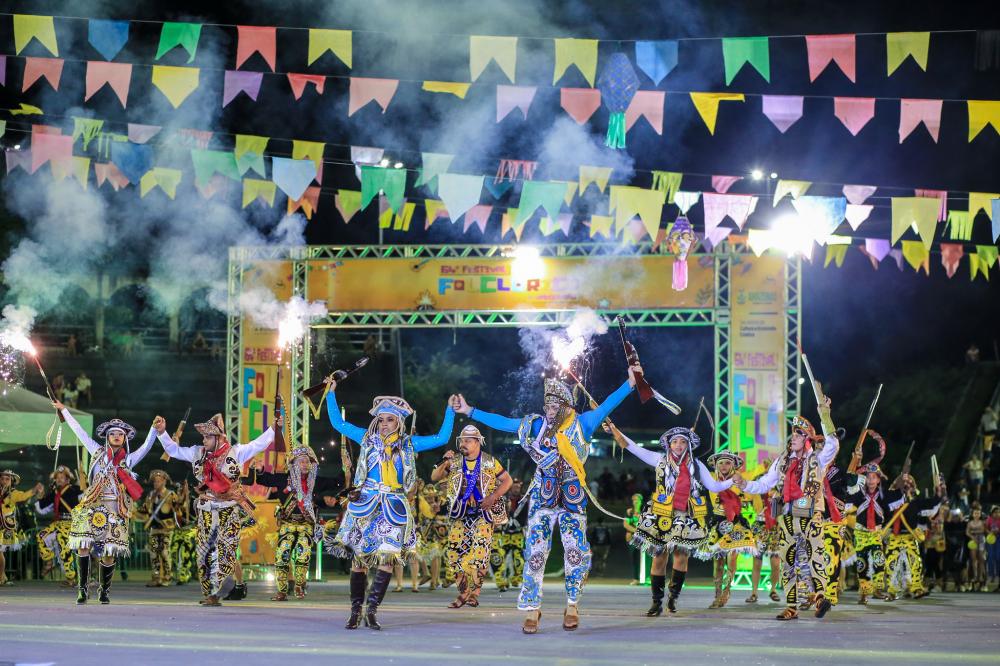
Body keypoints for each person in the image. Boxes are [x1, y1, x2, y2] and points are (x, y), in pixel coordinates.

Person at [451, 365, 640, 634]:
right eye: (547, 405)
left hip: (573, 497)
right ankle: (532, 608)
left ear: (567, 407)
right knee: (535, 552)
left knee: (575, 552)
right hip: (543, 495)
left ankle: (572, 605)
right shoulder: (535, 425)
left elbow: (608, 404)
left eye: (555, 405)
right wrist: (470, 411)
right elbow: (503, 421)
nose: (550, 410)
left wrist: (630, 383)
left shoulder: (582, 423)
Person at [324, 379, 455, 630]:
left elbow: (442, 437)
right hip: (366, 503)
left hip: (393, 505)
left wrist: (449, 410)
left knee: (386, 560)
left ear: (399, 422)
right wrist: (331, 395)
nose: (384, 424)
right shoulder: (366, 438)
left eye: (390, 420)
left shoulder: (408, 444)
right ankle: (355, 611)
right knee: (359, 560)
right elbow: (337, 423)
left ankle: (372, 611)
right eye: (381, 419)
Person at [604, 422, 739, 616]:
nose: (678, 445)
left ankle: (673, 598)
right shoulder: (658, 459)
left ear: (688, 445)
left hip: (687, 514)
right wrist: (615, 430)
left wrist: (732, 481)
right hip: (662, 513)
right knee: (659, 558)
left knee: (681, 557)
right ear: (668, 444)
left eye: (682, 442)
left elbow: (714, 487)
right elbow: (633, 447)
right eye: (674, 441)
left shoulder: (697, 465)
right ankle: (656, 602)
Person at [153, 412, 279, 606]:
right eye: (203, 436)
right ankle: (212, 592)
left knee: (225, 551)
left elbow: (258, 444)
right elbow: (174, 451)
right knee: (203, 553)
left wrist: (273, 428)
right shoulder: (197, 453)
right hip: (206, 509)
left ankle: (220, 590)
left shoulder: (236, 452)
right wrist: (161, 433)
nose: (204, 440)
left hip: (228, 508)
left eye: (208, 437)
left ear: (219, 437)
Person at [740, 398, 840, 621]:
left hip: (811, 514)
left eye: (798, 434)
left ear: (807, 439)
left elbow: (833, 443)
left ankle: (821, 598)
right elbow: (764, 484)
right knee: (788, 560)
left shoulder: (817, 459)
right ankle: (792, 606)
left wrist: (825, 413)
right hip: (786, 516)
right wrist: (744, 484)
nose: (792, 437)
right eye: (792, 434)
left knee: (815, 556)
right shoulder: (782, 461)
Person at [54, 401, 156, 604]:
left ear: (124, 438)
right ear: (107, 437)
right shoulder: (97, 452)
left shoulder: (129, 460)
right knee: (83, 546)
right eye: (112, 434)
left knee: (109, 552)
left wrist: (155, 429)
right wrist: (64, 410)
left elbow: (146, 446)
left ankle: (104, 590)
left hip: (114, 508)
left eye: (120, 434)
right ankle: (82, 589)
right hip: (92, 504)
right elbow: (80, 432)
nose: (116, 436)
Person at [431, 424, 513, 608]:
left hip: (483, 513)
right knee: (454, 555)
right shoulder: (454, 462)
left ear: (478, 442)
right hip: (460, 513)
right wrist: (444, 461)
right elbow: (434, 477)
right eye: (462, 441)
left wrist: (493, 496)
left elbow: (508, 480)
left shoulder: (490, 462)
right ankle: (464, 592)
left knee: (479, 553)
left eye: (468, 441)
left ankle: (474, 593)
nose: (463, 444)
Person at [245, 447, 340, 601]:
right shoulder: (284, 479)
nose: (305, 464)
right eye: (301, 461)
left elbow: (337, 482)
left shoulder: (315, 481)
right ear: (293, 464)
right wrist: (261, 469)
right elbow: (264, 479)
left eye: (307, 461)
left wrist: (346, 468)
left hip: (306, 524)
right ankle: (282, 591)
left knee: (303, 556)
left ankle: (299, 585)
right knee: (282, 556)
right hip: (287, 524)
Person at [702, 451, 758, 609]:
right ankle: (717, 593)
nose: (724, 466)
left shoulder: (739, 481)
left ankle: (727, 590)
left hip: (735, 523)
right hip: (717, 522)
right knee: (718, 562)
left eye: (727, 463)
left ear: (733, 465)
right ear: (716, 466)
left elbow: (754, 482)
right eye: (720, 463)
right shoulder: (712, 479)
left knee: (731, 560)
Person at [844, 462, 904, 604]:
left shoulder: (883, 495)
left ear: (878, 480)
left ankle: (877, 589)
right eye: (868, 477)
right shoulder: (859, 494)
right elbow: (847, 494)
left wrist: (902, 480)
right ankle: (864, 593)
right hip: (860, 533)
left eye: (874, 477)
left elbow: (899, 494)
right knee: (861, 563)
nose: (871, 480)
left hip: (875, 533)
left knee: (879, 560)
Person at [884, 474, 942, 600]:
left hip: (910, 537)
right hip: (895, 537)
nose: (908, 484)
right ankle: (892, 591)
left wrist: (938, 491)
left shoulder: (916, 502)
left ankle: (916, 589)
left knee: (915, 564)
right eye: (904, 482)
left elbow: (932, 503)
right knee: (891, 564)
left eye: (910, 482)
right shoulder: (890, 499)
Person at [133, 470, 182, 587]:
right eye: (155, 482)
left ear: (164, 482)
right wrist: (132, 512)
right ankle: (156, 577)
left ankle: (167, 577)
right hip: (154, 529)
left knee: (165, 553)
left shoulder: (171, 495)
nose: (156, 484)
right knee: (154, 553)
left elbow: (178, 511)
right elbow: (144, 510)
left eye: (159, 481)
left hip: (167, 529)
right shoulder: (150, 496)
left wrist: (182, 497)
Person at [35, 465, 82, 587]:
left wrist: (83, 480)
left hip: (72, 524)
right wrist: (40, 494)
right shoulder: (54, 493)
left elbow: (86, 499)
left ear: (68, 479)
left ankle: (71, 578)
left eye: (62, 477)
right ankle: (49, 561)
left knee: (64, 545)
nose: (59, 479)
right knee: (41, 536)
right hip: (58, 523)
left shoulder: (75, 489)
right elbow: (42, 508)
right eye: (58, 477)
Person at [1, 470, 44, 585]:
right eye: (2, 479)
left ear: (12, 482)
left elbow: (24, 496)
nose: (4, 481)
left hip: (5, 526)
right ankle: (3, 576)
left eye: (7, 479)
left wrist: (35, 490)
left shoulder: (14, 493)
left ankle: (2, 576)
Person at [491, 477, 526, 592]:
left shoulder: (525, 500)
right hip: (503, 534)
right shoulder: (503, 499)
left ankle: (516, 579)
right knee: (498, 557)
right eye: (514, 486)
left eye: (518, 486)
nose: (516, 488)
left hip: (518, 535)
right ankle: (500, 581)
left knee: (519, 560)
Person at [967, 502, 988, 591]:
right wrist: (972, 537)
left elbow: (984, 531)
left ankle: (981, 578)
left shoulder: (983, 522)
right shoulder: (970, 522)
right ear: (972, 514)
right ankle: (975, 577)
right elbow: (967, 532)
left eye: (978, 513)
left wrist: (975, 532)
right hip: (973, 541)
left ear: (980, 514)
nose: (976, 515)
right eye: (975, 513)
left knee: (981, 560)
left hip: (981, 541)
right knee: (973, 560)